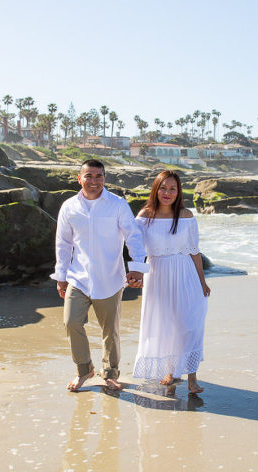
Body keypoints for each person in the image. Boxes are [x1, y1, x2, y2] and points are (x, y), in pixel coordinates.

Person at [51, 159, 149, 392]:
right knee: (71, 322)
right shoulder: (69, 207)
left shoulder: (117, 204)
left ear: (105, 178)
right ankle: (84, 370)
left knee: (110, 331)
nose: (94, 181)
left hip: (110, 278)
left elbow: (133, 236)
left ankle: (110, 373)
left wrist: (136, 266)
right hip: (78, 277)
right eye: (89, 176)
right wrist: (61, 276)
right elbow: (63, 243)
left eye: (99, 176)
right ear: (79, 178)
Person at [133, 170, 211, 394]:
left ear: (179, 192)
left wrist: (202, 282)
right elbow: (136, 249)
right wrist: (134, 273)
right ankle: (170, 371)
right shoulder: (144, 216)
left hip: (185, 272)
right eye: (163, 188)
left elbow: (194, 252)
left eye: (172, 189)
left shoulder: (186, 216)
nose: (167, 193)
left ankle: (192, 378)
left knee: (189, 325)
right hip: (157, 275)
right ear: (156, 189)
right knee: (166, 325)